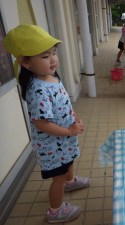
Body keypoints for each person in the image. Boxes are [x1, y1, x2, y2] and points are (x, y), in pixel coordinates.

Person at [3, 24, 90, 223]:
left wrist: (73, 118)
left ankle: (70, 181)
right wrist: (69, 130)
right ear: (26, 63)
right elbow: (41, 123)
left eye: (53, 53)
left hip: (64, 139)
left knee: (68, 162)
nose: (53, 59)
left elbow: (64, 102)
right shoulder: (38, 89)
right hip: (53, 145)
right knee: (57, 177)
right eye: (44, 56)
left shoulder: (51, 77)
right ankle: (55, 211)